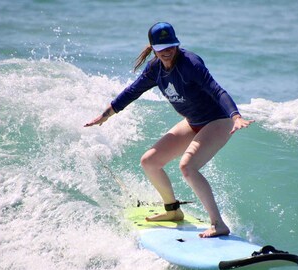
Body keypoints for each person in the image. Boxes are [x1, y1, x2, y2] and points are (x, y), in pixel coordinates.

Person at [85, 22, 253, 238]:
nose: (167, 51)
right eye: (162, 48)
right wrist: (105, 115)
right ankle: (173, 211)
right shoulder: (155, 69)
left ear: (176, 44)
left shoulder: (190, 63)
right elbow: (132, 92)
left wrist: (235, 116)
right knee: (150, 161)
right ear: (153, 48)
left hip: (218, 120)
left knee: (188, 167)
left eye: (171, 46)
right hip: (193, 121)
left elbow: (217, 90)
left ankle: (218, 224)